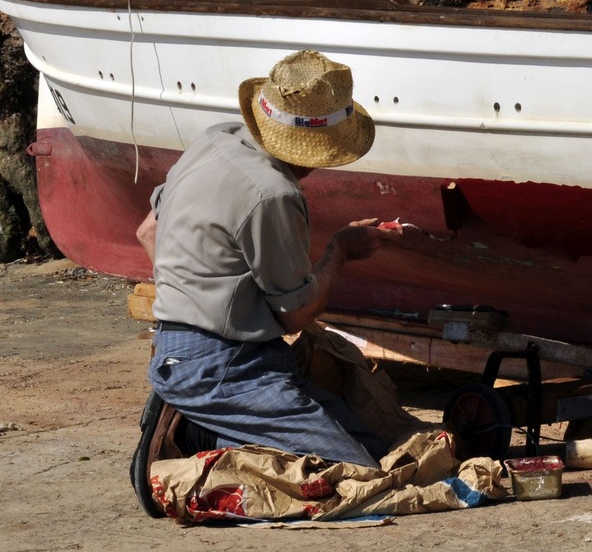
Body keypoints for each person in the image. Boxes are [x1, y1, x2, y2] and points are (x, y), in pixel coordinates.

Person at [129, 50, 401, 515]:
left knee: (373, 446)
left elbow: (148, 231)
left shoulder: (216, 139)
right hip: (225, 366)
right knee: (359, 476)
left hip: (183, 350)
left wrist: (191, 298)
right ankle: (198, 434)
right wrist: (341, 250)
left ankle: (205, 415)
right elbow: (294, 314)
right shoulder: (273, 194)